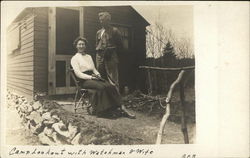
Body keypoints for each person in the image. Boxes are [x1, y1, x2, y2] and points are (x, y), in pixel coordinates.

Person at [71, 37, 135, 119]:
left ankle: (122, 108)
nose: (81, 46)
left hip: (93, 77)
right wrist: (91, 77)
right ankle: (106, 111)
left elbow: (93, 69)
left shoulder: (89, 57)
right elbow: (78, 74)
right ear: (76, 46)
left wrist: (98, 75)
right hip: (84, 80)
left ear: (85, 46)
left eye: (83, 44)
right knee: (102, 87)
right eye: (79, 44)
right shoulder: (74, 58)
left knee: (110, 86)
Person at [96, 11, 122, 92]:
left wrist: (111, 50)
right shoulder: (98, 32)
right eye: (100, 20)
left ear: (108, 20)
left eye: (103, 20)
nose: (101, 22)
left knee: (113, 79)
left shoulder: (114, 30)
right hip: (99, 57)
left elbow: (120, 45)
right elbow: (96, 45)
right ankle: (105, 101)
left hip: (110, 56)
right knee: (101, 78)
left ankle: (116, 101)